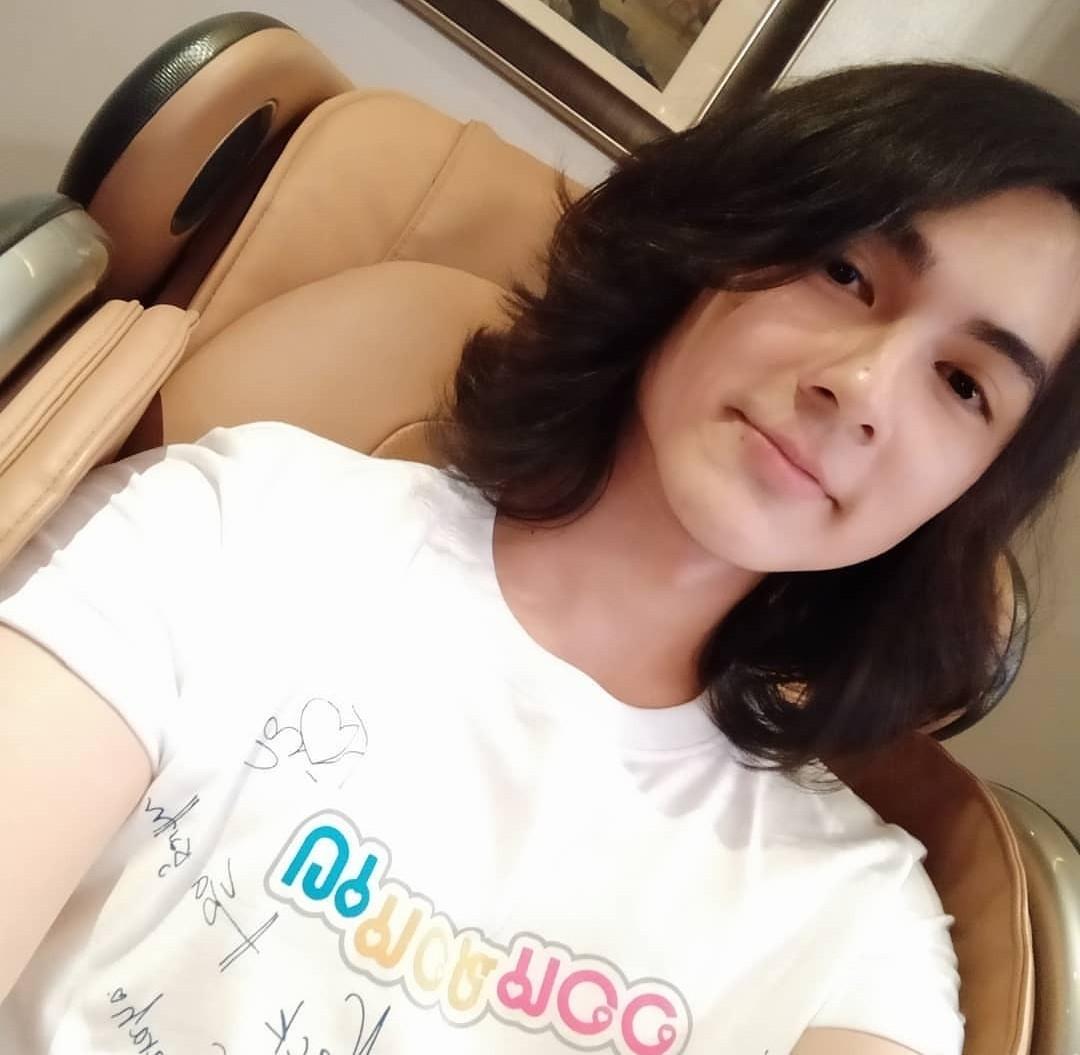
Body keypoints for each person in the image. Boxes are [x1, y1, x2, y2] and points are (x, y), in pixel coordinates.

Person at [1, 60, 1079, 1055]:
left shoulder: (859, 927)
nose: (865, 388)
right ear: (719, 239)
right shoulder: (234, 530)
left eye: (965, 385)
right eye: (845, 271)